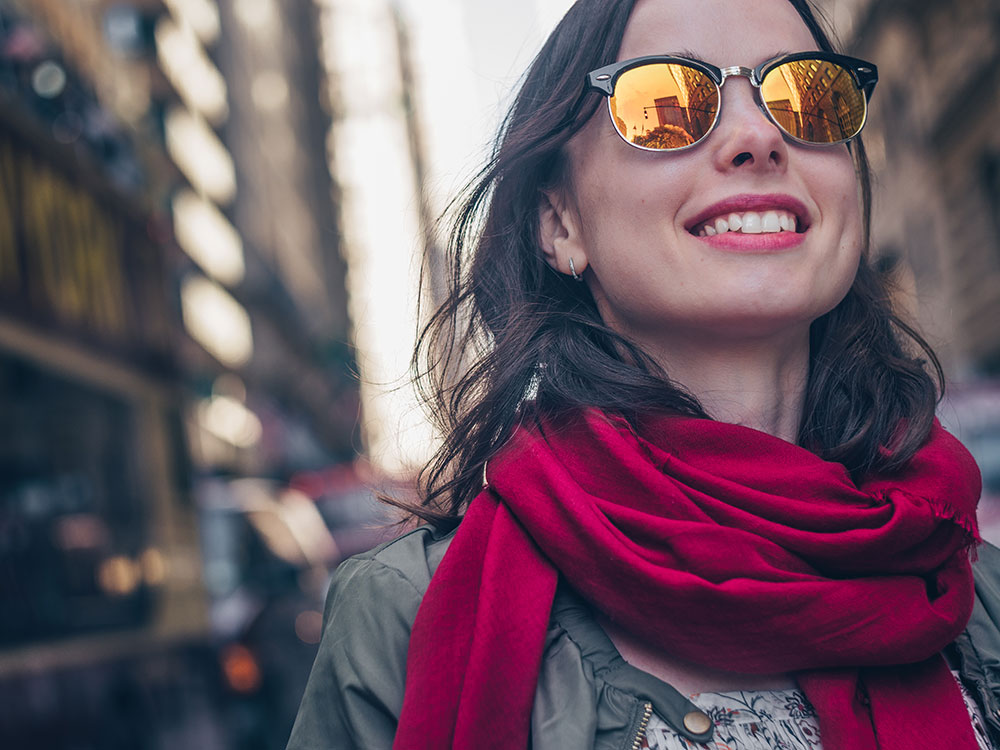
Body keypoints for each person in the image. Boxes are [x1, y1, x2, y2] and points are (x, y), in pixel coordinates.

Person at [287, 0, 1000, 748]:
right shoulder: (401, 616)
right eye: (669, 102)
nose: (759, 136)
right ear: (558, 224)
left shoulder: (971, 586)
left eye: (806, 94)